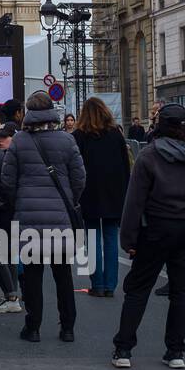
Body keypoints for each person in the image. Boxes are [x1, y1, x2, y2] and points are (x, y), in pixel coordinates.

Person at [111, 104, 185, 369]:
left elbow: (135, 201)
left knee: (138, 288)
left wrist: (129, 239)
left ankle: (124, 349)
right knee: (183, 290)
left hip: (156, 226)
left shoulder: (149, 155)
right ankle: (175, 350)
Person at [0, 90, 86, 343]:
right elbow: (79, 177)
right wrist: (71, 200)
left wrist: (17, 203)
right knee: (63, 274)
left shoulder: (19, 141)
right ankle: (67, 327)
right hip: (59, 216)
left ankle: (33, 327)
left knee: (33, 276)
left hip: (28, 219)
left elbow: (7, 181)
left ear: (28, 113)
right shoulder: (67, 141)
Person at [73, 97, 130, 298]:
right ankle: (110, 285)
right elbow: (125, 166)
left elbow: (75, 169)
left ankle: (96, 283)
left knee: (92, 239)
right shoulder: (116, 135)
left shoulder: (79, 136)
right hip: (114, 194)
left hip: (89, 193)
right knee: (111, 239)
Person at [0, 121, 23, 313]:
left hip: (6, 210)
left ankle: (11, 296)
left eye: (4, 137)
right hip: (13, 210)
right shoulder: (12, 155)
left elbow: (7, 187)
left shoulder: (8, 158)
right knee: (8, 256)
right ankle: (12, 295)